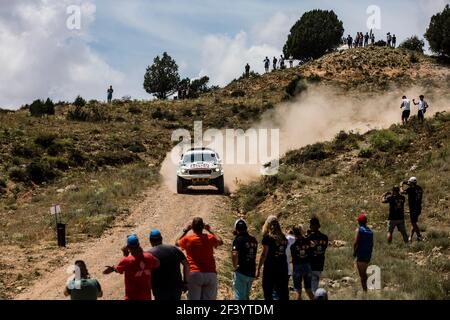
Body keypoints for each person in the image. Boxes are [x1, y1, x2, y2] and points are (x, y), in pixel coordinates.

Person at [176, 217, 223, 300]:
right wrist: (210, 230)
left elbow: (177, 243)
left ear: (192, 227)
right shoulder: (209, 237)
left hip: (194, 273)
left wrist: (186, 230)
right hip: (210, 273)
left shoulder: (188, 239)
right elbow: (220, 241)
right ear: (203, 227)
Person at [103, 235, 160, 300]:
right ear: (139, 245)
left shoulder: (126, 261)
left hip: (132, 296)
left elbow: (117, 270)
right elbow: (157, 263)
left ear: (128, 247)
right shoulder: (149, 257)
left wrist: (125, 255)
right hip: (146, 296)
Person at [148, 230, 189, 300]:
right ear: (161, 239)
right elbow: (186, 264)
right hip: (176, 287)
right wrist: (186, 282)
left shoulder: (149, 254)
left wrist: (150, 286)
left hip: (160, 289)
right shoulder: (174, 249)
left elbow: (147, 272)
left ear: (150, 241)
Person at [256, 215, 289, 301]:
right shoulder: (284, 238)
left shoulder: (268, 238)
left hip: (270, 269)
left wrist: (258, 269)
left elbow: (264, 254)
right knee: (283, 293)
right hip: (283, 269)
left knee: (268, 292)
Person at [232, 219, 258, 300]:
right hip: (251, 271)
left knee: (239, 296)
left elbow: (234, 253)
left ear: (236, 229)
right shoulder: (253, 240)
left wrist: (235, 266)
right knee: (246, 296)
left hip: (241, 271)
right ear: (246, 228)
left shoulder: (238, 239)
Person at [291, 226, 314, 300]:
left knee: (298, 291)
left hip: (297, 266)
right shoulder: (307, 240)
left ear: (294, 233)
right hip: (307, 265)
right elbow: (313, 245)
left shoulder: (293, 243)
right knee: (308, 290)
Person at [306, 217, 328, 294]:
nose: (310, 226)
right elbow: (323, 249)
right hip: (319, 263)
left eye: (311, 225)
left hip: (311, 264)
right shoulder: (324, 237)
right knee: (315, 284)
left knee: (312, 287)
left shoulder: (309, 238)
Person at [353, 214, 374, 293]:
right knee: (364, 273)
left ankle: (365, 292)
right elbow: (372, 244)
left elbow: (355, 243)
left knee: (362, 275)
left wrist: (354, 252)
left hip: (361, 254)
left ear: (359, 222)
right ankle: (366, 290)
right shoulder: (370, 231)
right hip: (368, 255)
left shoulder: (359, 230)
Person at [401, 177, 424, 242]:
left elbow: (402, 192)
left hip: (413, 208)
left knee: (413, 223)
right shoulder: (419, 188)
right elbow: (414, 186)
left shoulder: (410, 189)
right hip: (418, 207)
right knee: (414, 223)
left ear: (411, 183)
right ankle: (410, 237)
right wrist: (408, 183)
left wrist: (401, 185)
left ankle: (419, 236)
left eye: (409, 182)